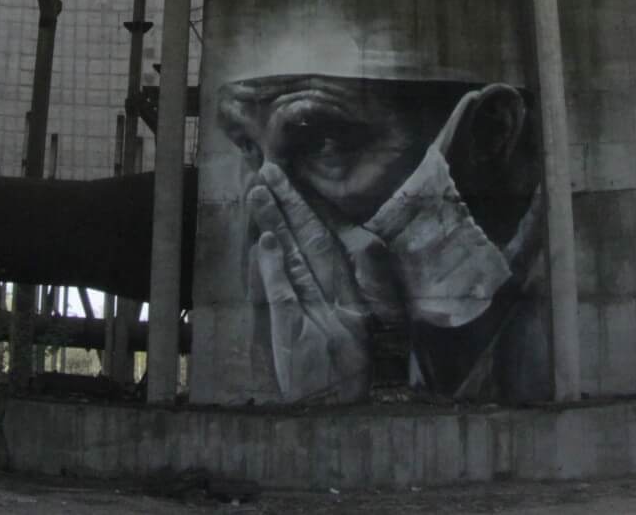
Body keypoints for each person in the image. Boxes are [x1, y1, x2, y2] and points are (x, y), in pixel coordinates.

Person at [216, 66, 549, 404]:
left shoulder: (556, 330)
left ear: (490, 132)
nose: (265, 195)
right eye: (247, 146)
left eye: (322, 144)